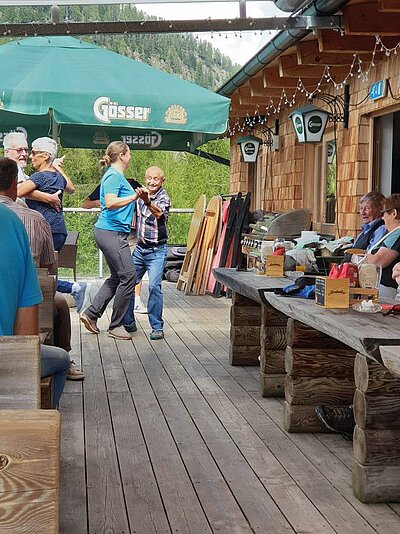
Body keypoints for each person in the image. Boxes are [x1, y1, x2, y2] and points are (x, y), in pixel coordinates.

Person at [316, 193, 400, 436]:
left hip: (384, 296)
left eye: (384, 212)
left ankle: (359, 415)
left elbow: (376, 262)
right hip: (383, 298)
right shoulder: (387, 233)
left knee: (376, 347)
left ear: (393, 213)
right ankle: (355, 410)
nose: (382, 217)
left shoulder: (396, 234)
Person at [0, 156, 84, 380]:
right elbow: (48, 270)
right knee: (59, 307)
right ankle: (67, 359)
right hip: (14, 347)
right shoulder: (31, 220)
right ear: (14, 184)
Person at [5, 133, 90, 313]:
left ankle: (72, 289)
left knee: (35, 273)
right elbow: (71, 187)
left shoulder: (39, 177)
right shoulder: (57, 177)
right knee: (46, 272)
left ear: (45, 156)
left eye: (34, 153)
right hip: (59, 230)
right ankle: (67, 294)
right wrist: (49, 192)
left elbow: (17, 190)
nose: (30, 156)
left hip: (44, 229)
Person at [80, 141, 138, 340]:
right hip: (110, 232)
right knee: (129, 275)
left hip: (110, 232)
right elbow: (111, 202)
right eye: (129, 154)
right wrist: (133, 197)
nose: (130, 157)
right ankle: (116, 325)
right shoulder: (113, 175)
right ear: (122, 155)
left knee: (117, 277)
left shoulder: (115, 175)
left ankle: (91, 314)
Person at [82, 178, 147, 314]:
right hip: (112, 232)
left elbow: (147, 199)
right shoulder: (108, 182)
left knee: (128, 271)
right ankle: (115, 320)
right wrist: (102, 202)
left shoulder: (132, 184)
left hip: (132, 232)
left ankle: (134, 301)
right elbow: (85, 203)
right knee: (125, 274)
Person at [123, 166, 171, 341]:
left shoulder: (164, 197)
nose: (151, 182)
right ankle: (128, 322)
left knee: (154, 287)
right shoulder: (140, 195)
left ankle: (157, 327)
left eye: (155, 179)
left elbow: (159, 214)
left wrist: (148, 201)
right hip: (140, 248)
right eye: (149, 178)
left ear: (162, 181)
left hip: (157, 250)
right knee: (128, 283)